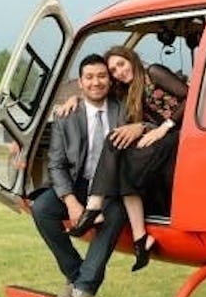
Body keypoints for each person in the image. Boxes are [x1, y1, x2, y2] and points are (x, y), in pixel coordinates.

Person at [64, 45, 187, 272]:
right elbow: (95, 93)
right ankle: (141, 240)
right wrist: (75, 99)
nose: (119, 72)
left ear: (131, 59)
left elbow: (191, 95)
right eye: (114, 70)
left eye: (121, 64)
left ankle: (93, 206)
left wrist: (164, 128)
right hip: (159, 140)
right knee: (119, 152)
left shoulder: (153, 72)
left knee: (118, 150)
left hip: (182, 134)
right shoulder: (127, 92)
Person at [29, 53, 140, 297]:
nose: (96, 82)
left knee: (115, 214)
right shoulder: (66, 116)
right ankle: (76, 272)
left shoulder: (124, 109)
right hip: (78, 183)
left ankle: (83, 290)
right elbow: (56, 164)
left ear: (110, 81)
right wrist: (71, 202)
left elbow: (152, 122)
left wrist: (141, 126)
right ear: (80, 83)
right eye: (89, 77)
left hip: (113, 186)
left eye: (102, 76)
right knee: (42, 209)